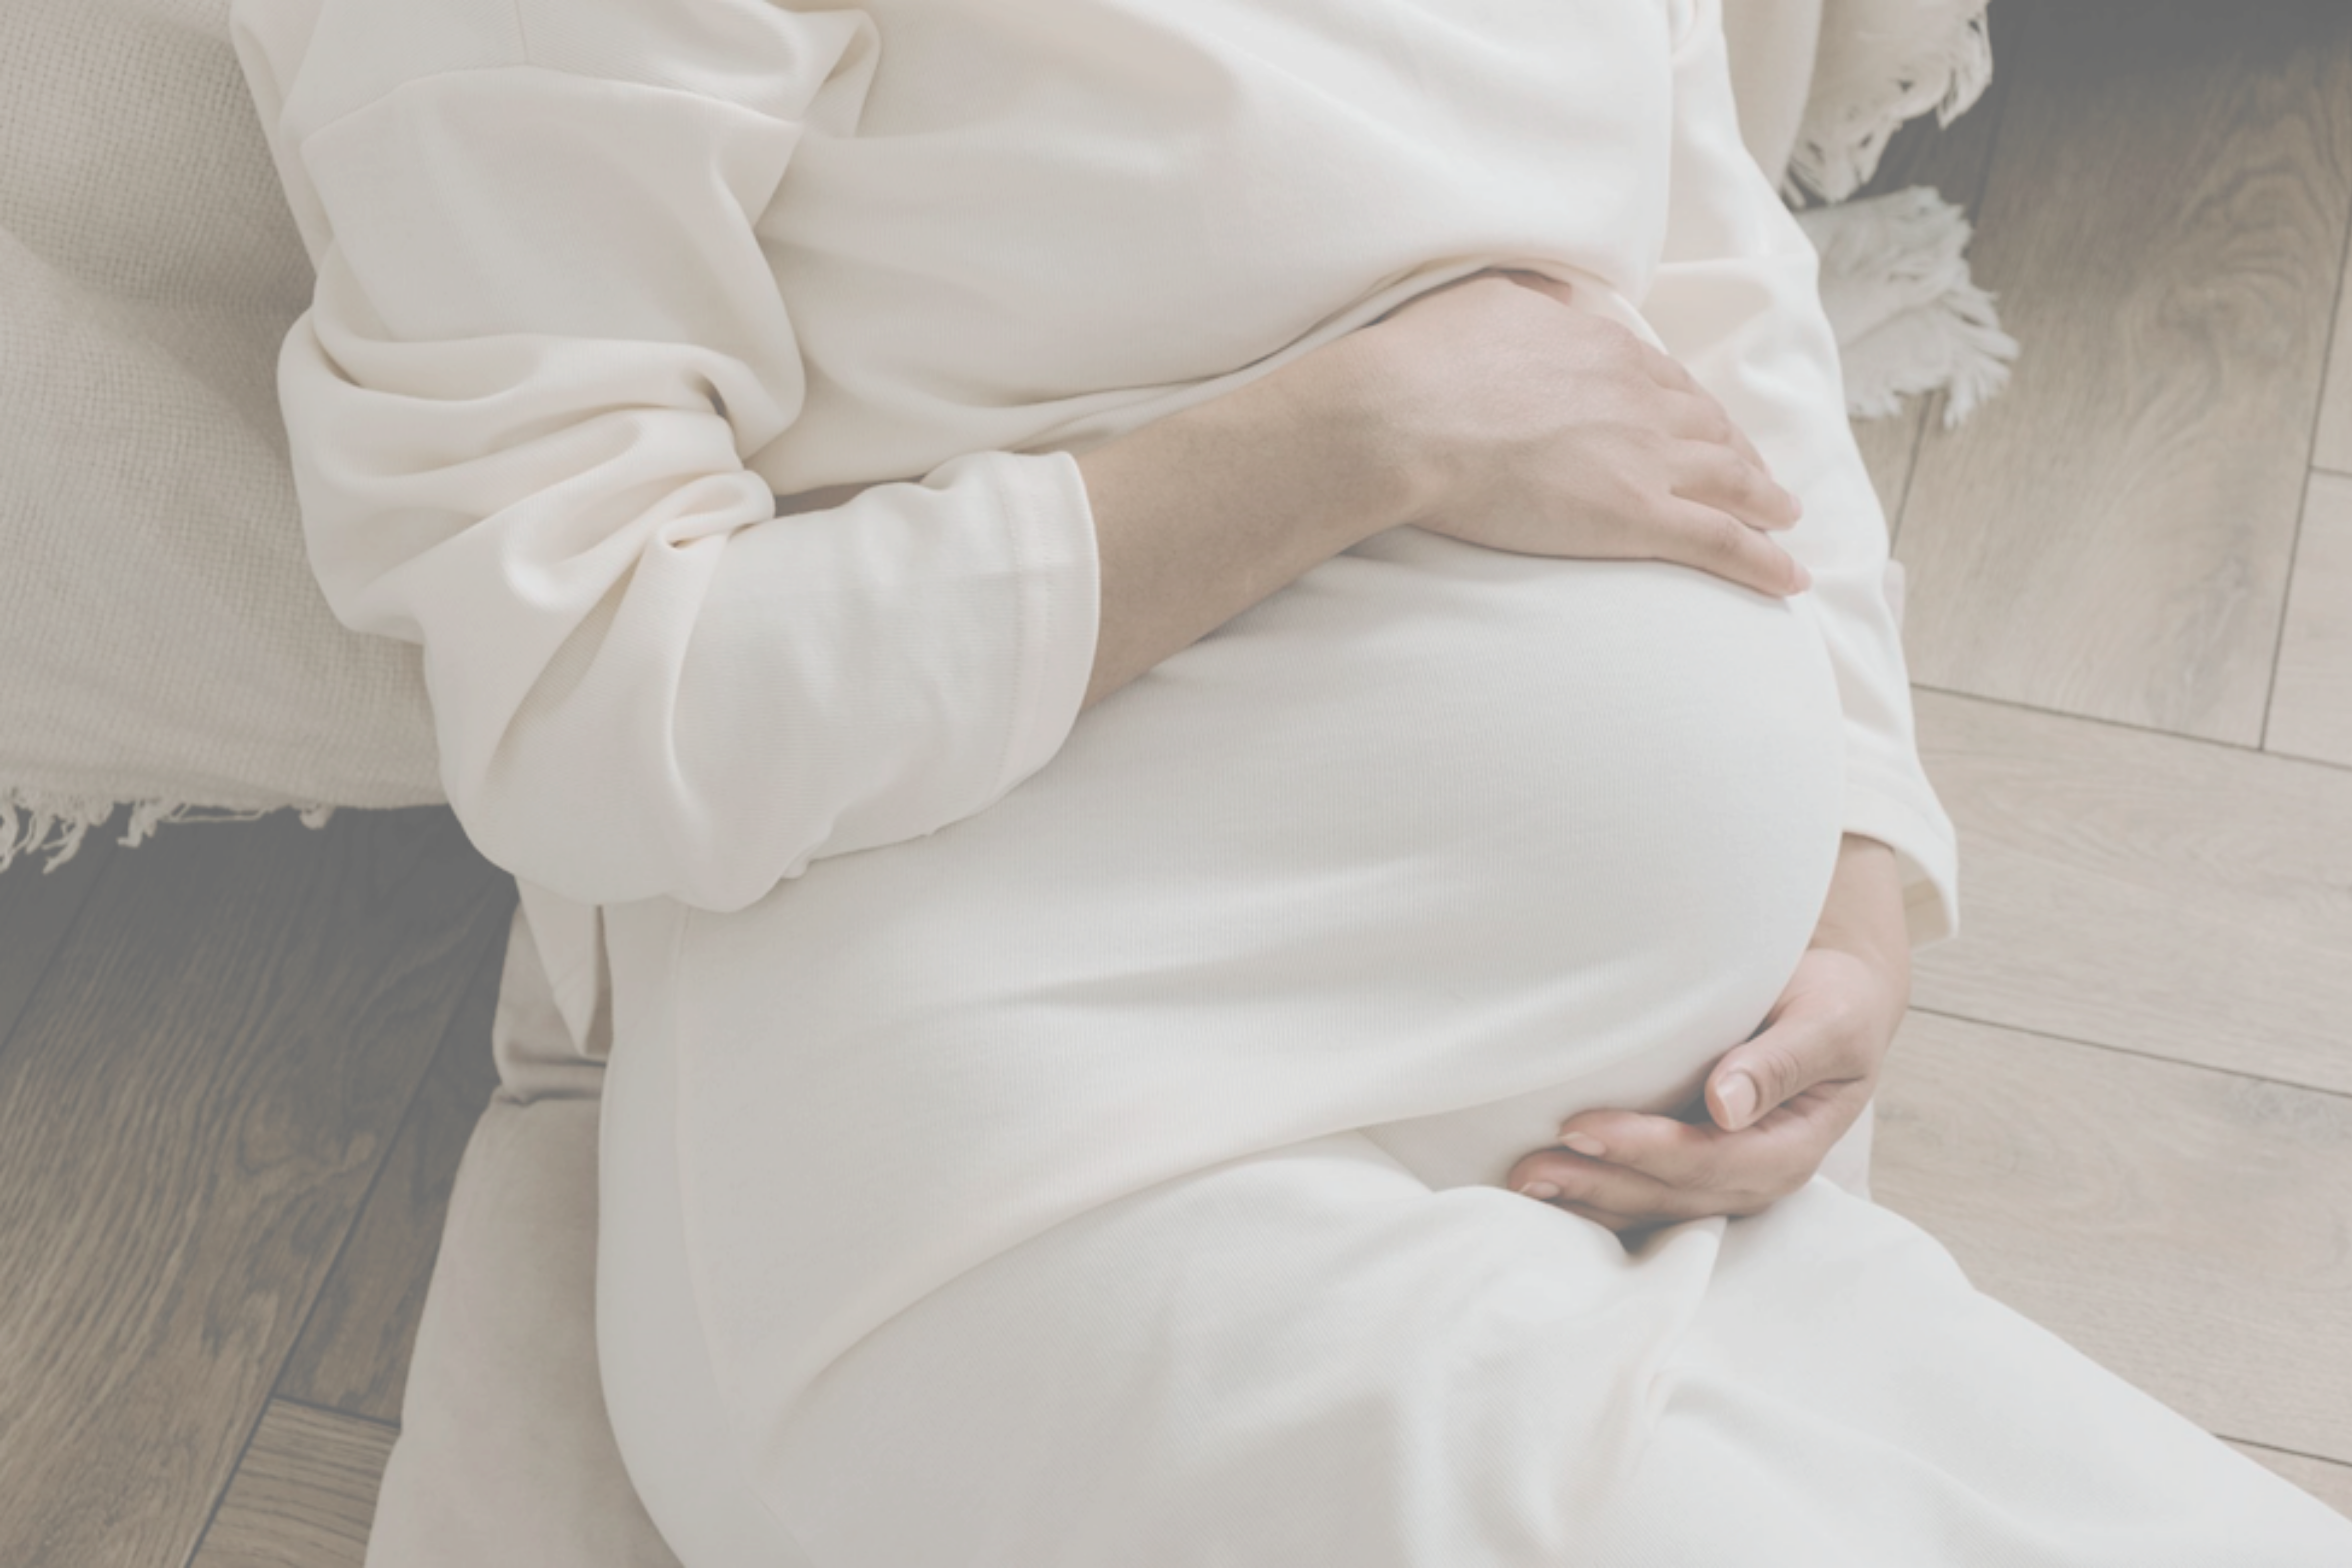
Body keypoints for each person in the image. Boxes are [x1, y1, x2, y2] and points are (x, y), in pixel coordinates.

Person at [229, 0, 2352, 1561]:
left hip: (1632, 1143)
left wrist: (1867, 848)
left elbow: (1705, 273)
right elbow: (592, 690)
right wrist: (1362, 437)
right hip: (1033, 1154)